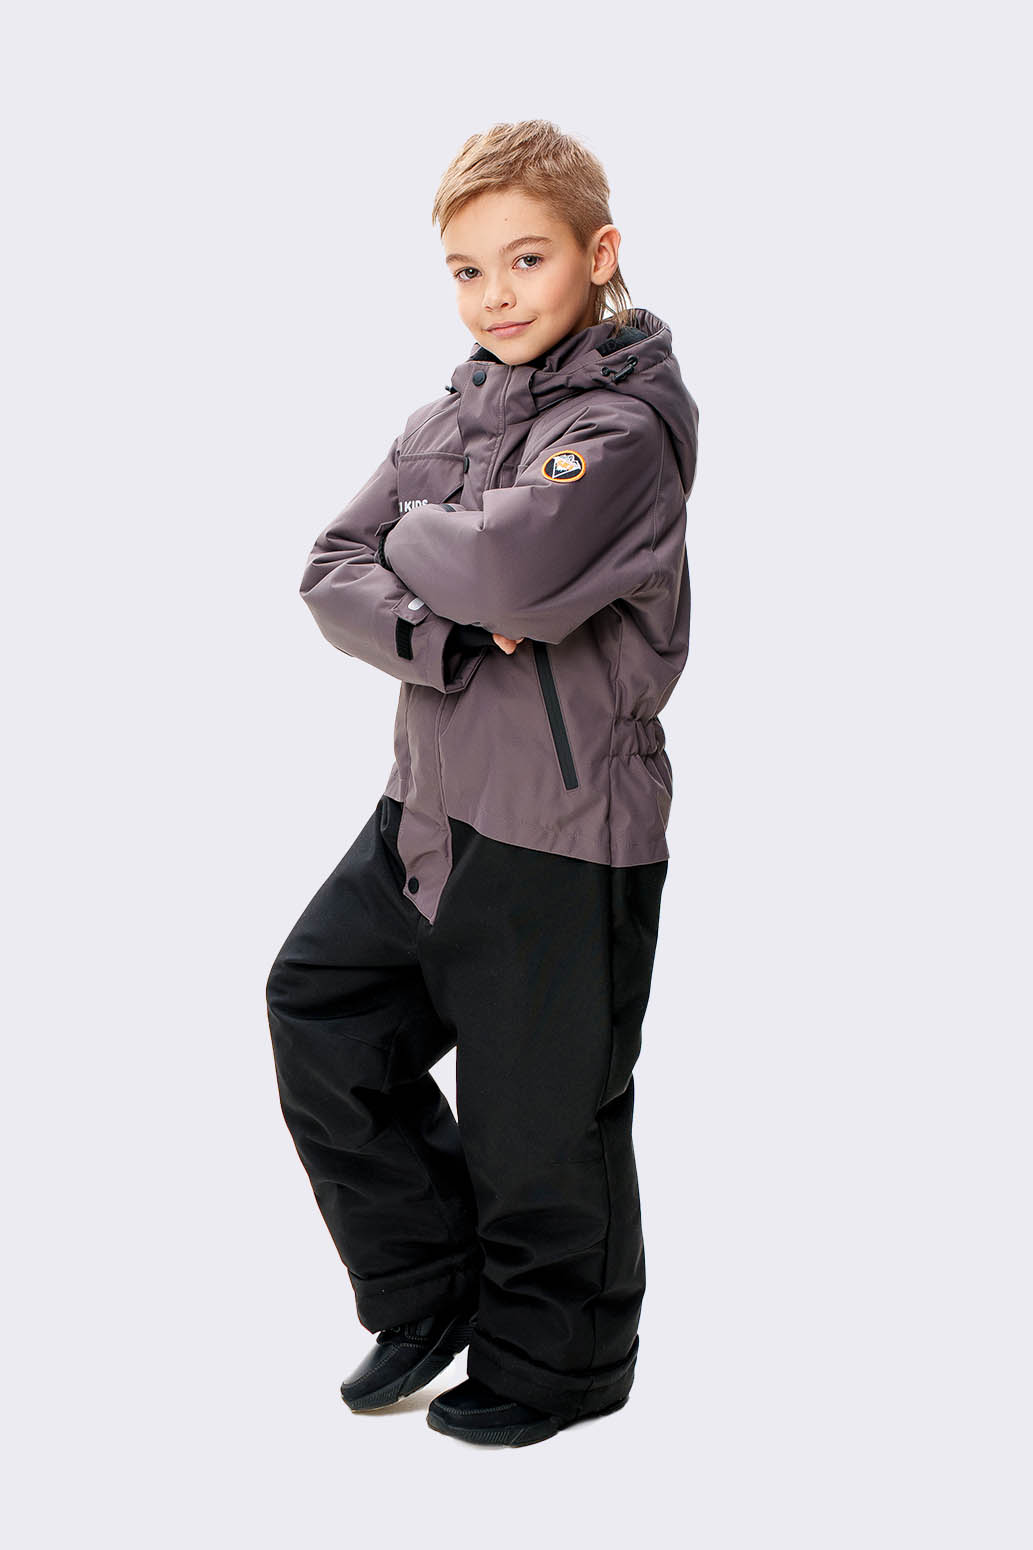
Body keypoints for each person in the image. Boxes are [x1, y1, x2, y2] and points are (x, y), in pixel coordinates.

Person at [266, 118, 700, 1448]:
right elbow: (329, 570)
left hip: (563, 833)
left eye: (526, 258)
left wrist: (421, 544)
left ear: (598, 253)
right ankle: (429, 1286)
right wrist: (443, 618)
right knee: (322, 1012)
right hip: (424, 809)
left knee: (540, 1118)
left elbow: (514, 572)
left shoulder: (622, 432)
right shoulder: (447, 416)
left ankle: (559, 1363)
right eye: (467, 269)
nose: (495, 294)